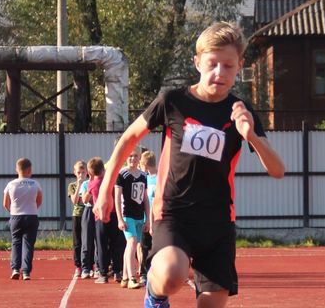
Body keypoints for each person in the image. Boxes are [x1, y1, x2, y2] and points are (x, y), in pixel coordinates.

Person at [94, 21, 285, 308]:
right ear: (197, 62)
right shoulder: (173, 102)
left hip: (218, 222)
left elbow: (277, 170)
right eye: (212, 64)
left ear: (240, 66)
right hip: (174, 215)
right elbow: (128, 139)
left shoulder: (241, 113)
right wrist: (105, 190)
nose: (219, 73)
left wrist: (251, 136)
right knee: (172, 275)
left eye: (228, 66)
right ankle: (155, 296)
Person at [114, 146, 150, 289]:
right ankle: (131, 278)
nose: (132, 159)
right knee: (132, 242)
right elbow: (117, 198)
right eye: (130, 156)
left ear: (139, 158)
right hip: (127, 214)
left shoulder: (143, 175)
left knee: (133, 245)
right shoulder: (122, 175)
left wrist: (148, 219)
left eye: (135, 156)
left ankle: (124, 277)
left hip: (139, 216)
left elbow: (145, 199)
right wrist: (119, 218)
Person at [86, 156, 125, 284]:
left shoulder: (92, 183)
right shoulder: (110, 181)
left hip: (100, 217)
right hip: (113, 214)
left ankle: (103, 273)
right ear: (103, 168)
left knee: (102, 246)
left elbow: (86, 198)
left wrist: (90, 180)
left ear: (91, 172)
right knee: (117, 244)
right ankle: (118, 272)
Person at [3, 157, 43, 281]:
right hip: (31, 216)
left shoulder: (11, 184)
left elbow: (5, 203)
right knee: (28, 244)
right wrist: (31, 209)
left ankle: (15, 269)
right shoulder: (35, 184)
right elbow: (39, 201)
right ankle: (26, 272)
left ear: (17, 169)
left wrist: (13, 212)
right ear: (30, 170)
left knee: (16, 243)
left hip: (16, 217)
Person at [139, 149, 158, 285]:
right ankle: (144, 272)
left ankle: (156, 271)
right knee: (144, 246)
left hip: (158, 219)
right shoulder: (144, 178)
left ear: (145, 164)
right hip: (145, 218)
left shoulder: (160, 177)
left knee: (157, 246)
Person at [67, 159, 88, 278]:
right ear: (75, 173)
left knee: (89, 241)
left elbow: (88, 200)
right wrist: (80, 184)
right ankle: (78, 266)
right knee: (77, 242)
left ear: (87, 172)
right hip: (77, 215)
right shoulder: (72, 186)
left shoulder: (90, 183)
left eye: (83, 172)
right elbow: (75, 201)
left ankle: (89, 265)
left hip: (88, 214)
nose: (81, 175)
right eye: (79, 172)